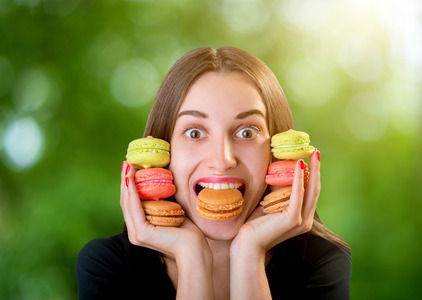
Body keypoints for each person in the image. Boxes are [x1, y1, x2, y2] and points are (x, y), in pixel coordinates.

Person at [76, 46, 351, 299]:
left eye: (247, 132)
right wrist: (191, 256)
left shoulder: (321, 260)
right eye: (194, 132)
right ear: (163, 150)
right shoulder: (107, 265)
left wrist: (248, 254)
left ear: (276, 151)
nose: (222, 161)